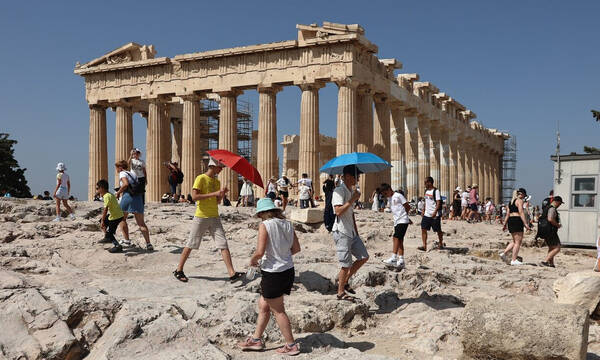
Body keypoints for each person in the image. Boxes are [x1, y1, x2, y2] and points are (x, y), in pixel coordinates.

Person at [238, 198, 301, 355]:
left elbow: (259, 252)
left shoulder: (265, 225)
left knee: (278, 310)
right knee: (264, 305)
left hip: (273, 273)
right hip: (288, 270)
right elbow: (297, 248)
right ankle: (256, 340)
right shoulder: (288, 224)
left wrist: (251, 261)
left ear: (261, 213)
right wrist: (282, 256)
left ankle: (291, 345)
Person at [173, 158, 243, 283]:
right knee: (191, 244)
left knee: (223, 244)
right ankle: (178, 270)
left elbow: (217, 202)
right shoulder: (201, 178)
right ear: (213, 166)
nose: (222, 169)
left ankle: (232, 273)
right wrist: (215, 193)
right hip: (201, 216)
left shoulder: (217, 181)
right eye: (220, 166)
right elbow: (194, 197)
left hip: (214, 216)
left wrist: (221, 194)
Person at [331, 165, 369, 302]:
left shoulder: (349, 190)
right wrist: (353, 199)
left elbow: (350, 213)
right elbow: (338, 211)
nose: (358, 179)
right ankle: (340, 292)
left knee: (363, 256)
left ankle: (344, 280)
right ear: (347, 176)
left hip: (351, 232)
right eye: (356, 176)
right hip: (341, 231)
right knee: (346, 264)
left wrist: (356, 231)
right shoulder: (339, 191)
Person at [114, 160, 153, 251]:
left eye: (116, 168)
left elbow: (126, 184)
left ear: (120, 167)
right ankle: (148, 244)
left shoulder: (122, 173)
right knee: (141, 223)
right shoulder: (133, 173)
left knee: (121, 218)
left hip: (128, 196)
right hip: (138, 197)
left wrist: (118, 192)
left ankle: (127, 240)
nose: (116, 170)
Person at [381, 184, 411, 269]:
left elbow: (407, 206)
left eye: (386, 193)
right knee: (399, 239)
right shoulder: (389, 198)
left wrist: (405, 216)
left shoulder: (398, 195)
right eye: (384, 194)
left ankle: (394, 258)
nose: (386, 195)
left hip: (402, 220)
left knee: (396, 237)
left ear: (389, 189)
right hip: (397, 221)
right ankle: (401, 260)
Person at [499, 188, 531, 265]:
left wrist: (504, 224)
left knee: (514, 241)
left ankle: (504, 253)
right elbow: (521, 212)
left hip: (510, 220)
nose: (524, 197)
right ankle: (514, 260)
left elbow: (507, 214)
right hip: (517, 220)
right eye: (524, 195)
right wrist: (526, 224)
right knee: (518, 242)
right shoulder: (520, 201)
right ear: (521, 194)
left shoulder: (510, 202)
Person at [95, 179, 125, 253]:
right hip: (116, 215)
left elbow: (105, 209)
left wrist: (102, 220)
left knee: (110, 232)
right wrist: (102, 221)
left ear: (102, 188)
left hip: (116, 217)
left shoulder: (106, 196)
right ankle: (107, 237)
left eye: (97, 188)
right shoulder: (109, 194)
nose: (97, 190)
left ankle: (117, 246)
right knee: (103, 222)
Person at [419, 177, 444, 251]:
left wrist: (435, 212)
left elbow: (438, 202)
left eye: (425, 182)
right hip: (427, 214)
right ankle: (424, 246)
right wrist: (423, 210)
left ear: (430, 182)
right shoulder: (426, 191)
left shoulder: (436, 191)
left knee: (438, 230)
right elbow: (426, 201)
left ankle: (441, 243)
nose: (424, 184)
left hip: (434, 214)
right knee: (423, 229)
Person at [538, 196, 563, 267]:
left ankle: (551, 263)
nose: (559, 205)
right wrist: (557, 225)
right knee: (557, 248)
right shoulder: (552, 209)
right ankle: (545, 261)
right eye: (560, 203)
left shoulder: (546, 208)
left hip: (546, 231)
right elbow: (550, 219)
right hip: (551, 231)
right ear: (557, 202)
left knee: (551, 247)